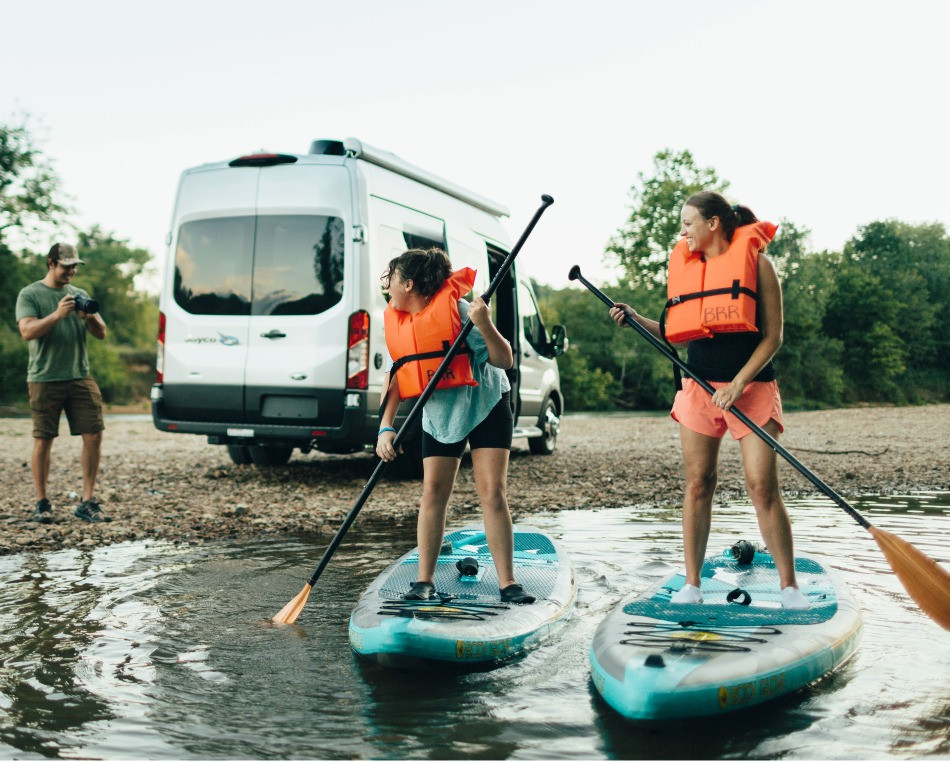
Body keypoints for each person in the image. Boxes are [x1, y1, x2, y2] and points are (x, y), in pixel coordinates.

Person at [609, 191, 810, 610]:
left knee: (762, 487)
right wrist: (636, 319)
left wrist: (737, 384)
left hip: (751, 389)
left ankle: (790, 587)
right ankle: (693, 583)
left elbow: (773, 337)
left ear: (713, 223)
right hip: (698, 388)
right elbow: (675, 330)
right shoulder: (690, 269)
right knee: (699, 484)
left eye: (688, 223)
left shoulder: (758, 265)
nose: (682, 231)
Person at [376, 247, 535, 604]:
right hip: (441, 414)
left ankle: (508, 583)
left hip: (486, 405)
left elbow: (504, 359)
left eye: (392, 281)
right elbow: (397, 380)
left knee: (492, 492)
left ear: (410, 284)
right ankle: (424, 581)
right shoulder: (399, 324)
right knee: (433, 492)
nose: (387, 289)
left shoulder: (462, 313)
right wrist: (385, 427)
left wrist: (484, 323)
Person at [15, 243, 111, 524]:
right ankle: (42, 502)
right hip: (44, 377)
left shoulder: (80, 295)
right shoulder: (30, 293)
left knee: (94, 435)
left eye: (74, 266)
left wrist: (90, 316)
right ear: (51, 263)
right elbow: (26, 331)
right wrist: (57, 314)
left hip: (80, 375)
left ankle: (87, 501)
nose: (71, 270)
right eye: (66, 265)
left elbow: (102, 333)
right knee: (44, 439)